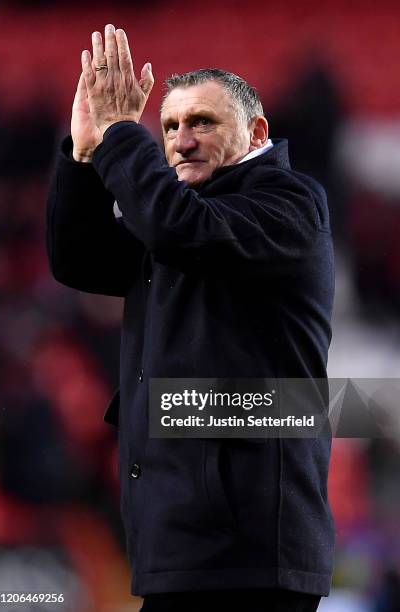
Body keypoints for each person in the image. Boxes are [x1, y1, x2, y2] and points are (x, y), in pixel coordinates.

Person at [47, 24, 335, 612]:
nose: (180, 141)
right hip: (175, 546)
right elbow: (80, 260)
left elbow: (181, 231)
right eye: (170, 126)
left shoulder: (290, 203)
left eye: (202, 122)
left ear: (255, 132)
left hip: (252, 554)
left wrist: (124, 134)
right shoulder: (174, 224)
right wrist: (83, 157)